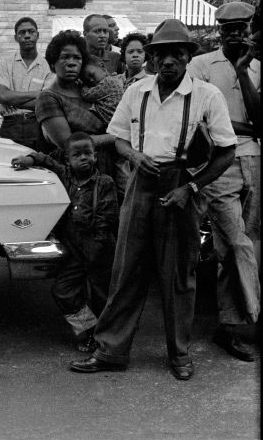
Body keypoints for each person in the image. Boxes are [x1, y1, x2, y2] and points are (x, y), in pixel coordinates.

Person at [69, 19, 237, 381]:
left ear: (188, 57)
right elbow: (117, 139)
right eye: (161, 54)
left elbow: (226, 152)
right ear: (152, 57)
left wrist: (190, 188)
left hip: (181, 184)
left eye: (177, 54)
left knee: (178, 274)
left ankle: (179, 353)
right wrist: (133, 156)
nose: (169, 61)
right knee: (126, 269)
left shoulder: (207, 95)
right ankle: (111, 351)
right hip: (140, 183)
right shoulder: (138, 91)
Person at [188, 1, 260, 362]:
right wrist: (241, 128)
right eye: (228, 27)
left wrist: (244, 70)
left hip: (256, 160)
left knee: (251, 241)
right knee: (233, 242)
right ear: (219, 30)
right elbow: (202, 121)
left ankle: (230, 327)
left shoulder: (257, 66)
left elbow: (259, 121)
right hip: (221, 161)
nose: (235, 33)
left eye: (241, 27)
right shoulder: (201, 65)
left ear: (250, 27)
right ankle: (254, 314)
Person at [12, 132, 118, 352]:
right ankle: (88, 329)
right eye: (77, 155)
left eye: (88, 153)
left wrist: (96, 251)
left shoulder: (104, 183)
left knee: (103, 297)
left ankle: (108, 341)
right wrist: (29, 160)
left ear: (95, 156)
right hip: (73, 250)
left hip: (99, 250)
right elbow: (45, 159)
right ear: (67, 159)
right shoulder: (64, 175)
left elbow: (106, 219)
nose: (83, 158)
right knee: (63, 291)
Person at [35, 30, 116, 180]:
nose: (72, 63)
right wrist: (116, 138)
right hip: (73, 174)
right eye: (65, 57)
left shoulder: (90, 90)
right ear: (53, 64)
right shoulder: (48, 97)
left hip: (106, 167)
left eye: (77, 58)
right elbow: (69, 143)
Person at [0, 17, 53, 148]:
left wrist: (11, 100)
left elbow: (47, 103)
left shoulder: (48, 66)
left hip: (38, 125)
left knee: (38, 164)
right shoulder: (6, 63)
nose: (27, 36)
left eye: (31, 32)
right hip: (10, 125)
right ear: (16, 37)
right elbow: (3, 96)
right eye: (22, 33)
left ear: (38, 35)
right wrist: (38, 94)